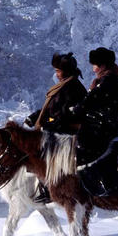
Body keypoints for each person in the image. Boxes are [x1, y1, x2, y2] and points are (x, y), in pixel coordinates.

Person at [25, 52, 87, 203]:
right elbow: (50, 110)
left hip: (68, 132)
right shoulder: (62, 86)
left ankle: (49, 188)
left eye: (58, 71)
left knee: (41, 150)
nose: (56, 74)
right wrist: (33, 117)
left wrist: (48, 124)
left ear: (66, 71)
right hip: (58, 127)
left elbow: (66, 114)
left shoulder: (73, 87)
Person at [71, 47, 118, 197]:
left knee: (82, 148)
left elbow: (92, 99)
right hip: (102, 121)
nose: (93, 68)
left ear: (102, 65)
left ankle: (100, 186)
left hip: (105, 124)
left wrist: (77, 109)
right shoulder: (107, 79)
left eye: (95, 64)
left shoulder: (108, 80)